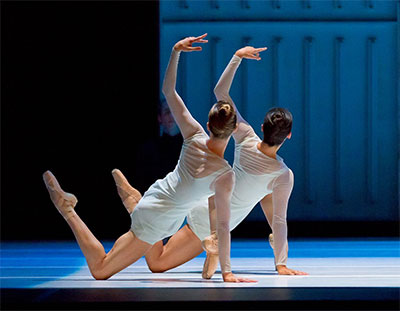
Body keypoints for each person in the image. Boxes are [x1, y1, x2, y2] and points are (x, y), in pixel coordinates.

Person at [43, 34, 253, 283]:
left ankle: (134, 201)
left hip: (158, 198)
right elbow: (222, 224)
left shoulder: (194, 134)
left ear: (209, 124)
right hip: (157, 218)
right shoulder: (225, 174)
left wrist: (175, 52)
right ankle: (67, 209)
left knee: (156, 264)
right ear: (234, 130)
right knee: (100, 269)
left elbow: (168, 90)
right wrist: (226, 272)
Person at [112, 46, 308, 277]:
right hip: (211, 223)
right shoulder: (284, 174)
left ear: (263, 128)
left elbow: (220, 91)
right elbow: (279, 220)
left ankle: (149, 213)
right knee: (157, 263)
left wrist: (236, 57)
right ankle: (137, 205)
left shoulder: (246, 137)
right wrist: (281, 265)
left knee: (265, 196)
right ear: (289, 135)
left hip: (204, 202)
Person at [132, 98, 183, 194]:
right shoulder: (147, 150)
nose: (171, 116)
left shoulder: (191, 148)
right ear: (160, 118)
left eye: (174, 111)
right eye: (167, 112)